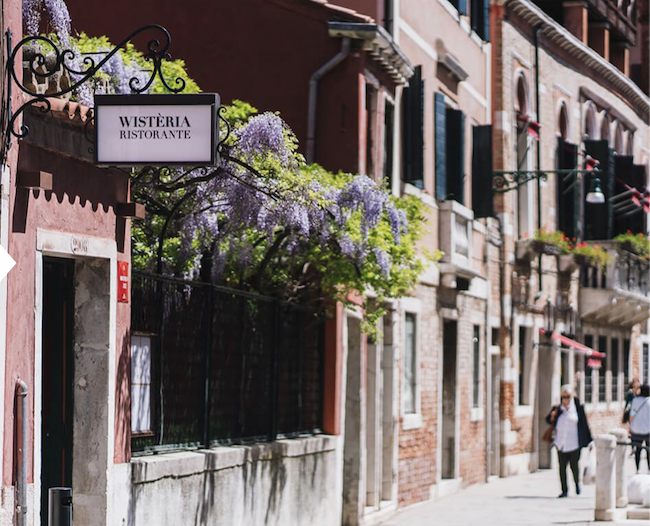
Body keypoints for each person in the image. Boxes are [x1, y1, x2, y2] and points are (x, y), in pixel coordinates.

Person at [546, 384, 592, 498]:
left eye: (568, 396)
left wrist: (589, 441)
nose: (566, 399)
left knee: (574, 466)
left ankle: (577, 485)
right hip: (560, 442)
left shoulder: (578, 408)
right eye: (564, 396)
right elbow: (547, 420)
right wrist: (551, 417)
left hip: (574, 443)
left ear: (572, 396)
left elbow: (584, 425)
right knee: (562, 468)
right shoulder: (557, 409)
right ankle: (564, 490)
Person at [629, 383, 650, 473]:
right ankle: (649, 469)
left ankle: (638, 469)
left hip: (636, 429)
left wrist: (630, 426)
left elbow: (632, 414)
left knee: (638, 449)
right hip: (648, 429)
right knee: (649, 450)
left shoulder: (635, 401)